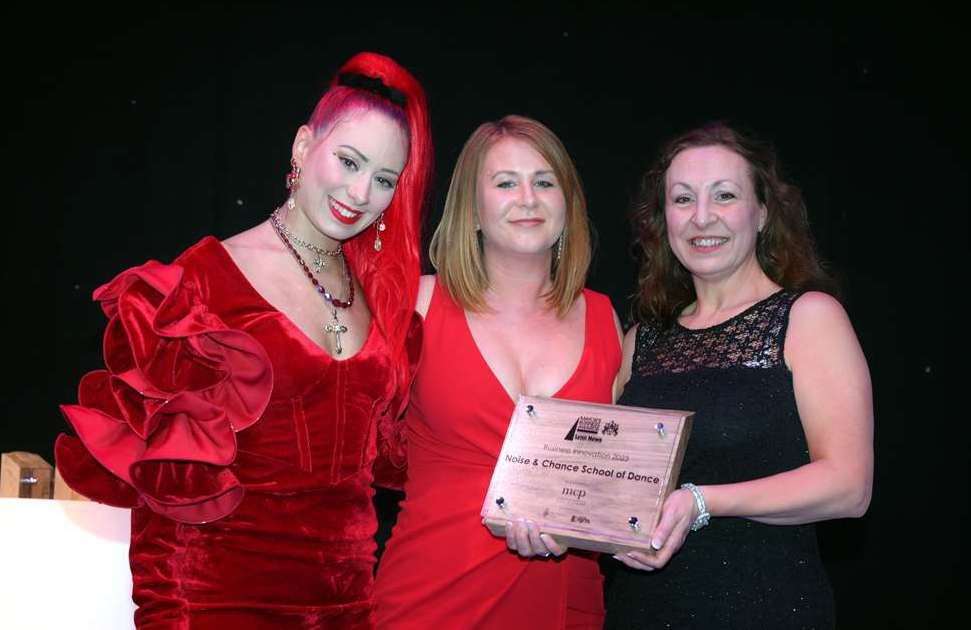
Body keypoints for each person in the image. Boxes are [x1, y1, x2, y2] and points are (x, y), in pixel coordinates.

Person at [55, 51, 433, 628]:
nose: (360, 193)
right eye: (349, 161)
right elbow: (164, 504)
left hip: (346, 607)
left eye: (383, 179)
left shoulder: (382, 301)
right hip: (219, 601)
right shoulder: (204, 282)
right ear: (304, 147)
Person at [605, 122, 873, 628]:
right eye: (682, 199)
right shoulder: (641, 339)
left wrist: (704, 502)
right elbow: (611, 483)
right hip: (641, 610)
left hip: (764, 605)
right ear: (663, 219)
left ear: (763, 213)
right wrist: (556, 521)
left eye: (724, 196)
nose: (702, 217)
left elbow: (849, 487)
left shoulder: (807, 317)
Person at [373, 115, 623, 628]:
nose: (527, 198)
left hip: (563, 600)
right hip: (431, 598)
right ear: (473, 209)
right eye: (506, 182)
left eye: (544, 182)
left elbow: (610, 480)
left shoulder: (605, 319)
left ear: (568, 205)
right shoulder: (416, 305)